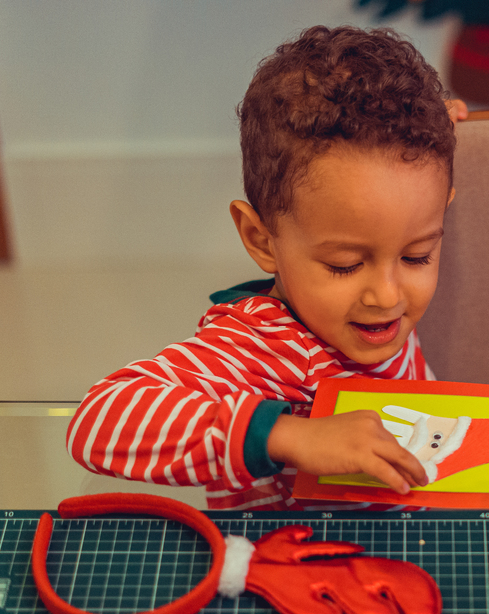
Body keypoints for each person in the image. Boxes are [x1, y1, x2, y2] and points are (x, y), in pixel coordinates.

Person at [66, 26, 460, 510]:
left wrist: (440, 124)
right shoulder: (262, 348)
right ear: (260, 239)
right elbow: (98, 420)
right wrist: (287, 436)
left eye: (417, 256)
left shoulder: (374, 301)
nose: (388, 295)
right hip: (296, 552)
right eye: (345, 265)